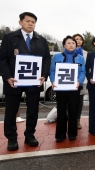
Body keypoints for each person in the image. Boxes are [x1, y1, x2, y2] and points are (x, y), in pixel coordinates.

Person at [0, 12, 51, 151]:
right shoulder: (9, 38)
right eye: (28, 21)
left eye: (33, 22)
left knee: (33, 110)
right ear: (20, 22)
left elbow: (47, 59)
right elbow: (2, 59)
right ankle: (11, 138)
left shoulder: (41, 40)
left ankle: (30, 135)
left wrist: (44, 75)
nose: (31, 24)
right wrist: (7, 76)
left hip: (34, 81)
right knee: (11, 111)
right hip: (14, 81)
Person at [50, 36, 85, 142]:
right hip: (60, 88)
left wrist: (79, 81)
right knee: (61, 111)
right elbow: (52, 70)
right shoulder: (56, 56)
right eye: (68, 43)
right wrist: (53, 81)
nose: (71, 45)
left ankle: (72, 134)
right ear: (64, 45)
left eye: (73, 43)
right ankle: (60, 135)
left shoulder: (80, 58)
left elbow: (83, 72)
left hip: (74, 88)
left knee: (73, 111)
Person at [73, 33, 88, 129]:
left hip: (82, 80)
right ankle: (71, 119)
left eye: (80, 39)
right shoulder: (69, 51)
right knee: (70, 101)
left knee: (80, 101)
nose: (78, 40)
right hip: (69, 79)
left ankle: (78, 120)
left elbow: (86, 66)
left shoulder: (86, 53)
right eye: (76, 39)